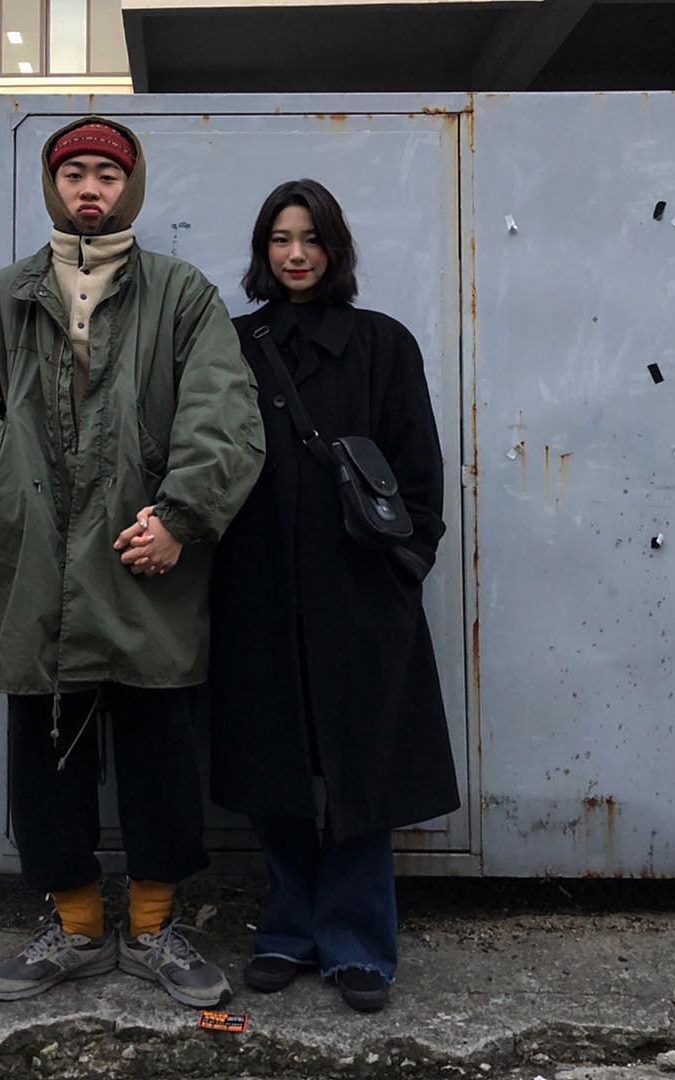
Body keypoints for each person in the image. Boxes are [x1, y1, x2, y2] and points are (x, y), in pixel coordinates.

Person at [0, 117, 264, 1008]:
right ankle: (75, 930)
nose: (89, 189)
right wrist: (4, 461)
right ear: (53, 185)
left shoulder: (180, 295)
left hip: (145, 556)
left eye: (106, 176)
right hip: (36, 563)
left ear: (130, 188)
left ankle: (153, 930)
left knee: (159, 752)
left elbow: (225, 415)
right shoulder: (5, 297)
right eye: (73, 173)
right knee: (47, 755)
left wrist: (182, 517)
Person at [209, 178, 459, 1013]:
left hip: (360, 594)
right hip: (258, 590)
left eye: (311, 238)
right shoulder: (234, 344)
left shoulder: (383, 343)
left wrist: (403, 566)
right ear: (262, 250)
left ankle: (357, 941)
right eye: (280, 239)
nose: (296, 254)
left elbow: (419, 469)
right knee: (272, 764)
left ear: (336, 247)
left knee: (364, 769)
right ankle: (289, 926)